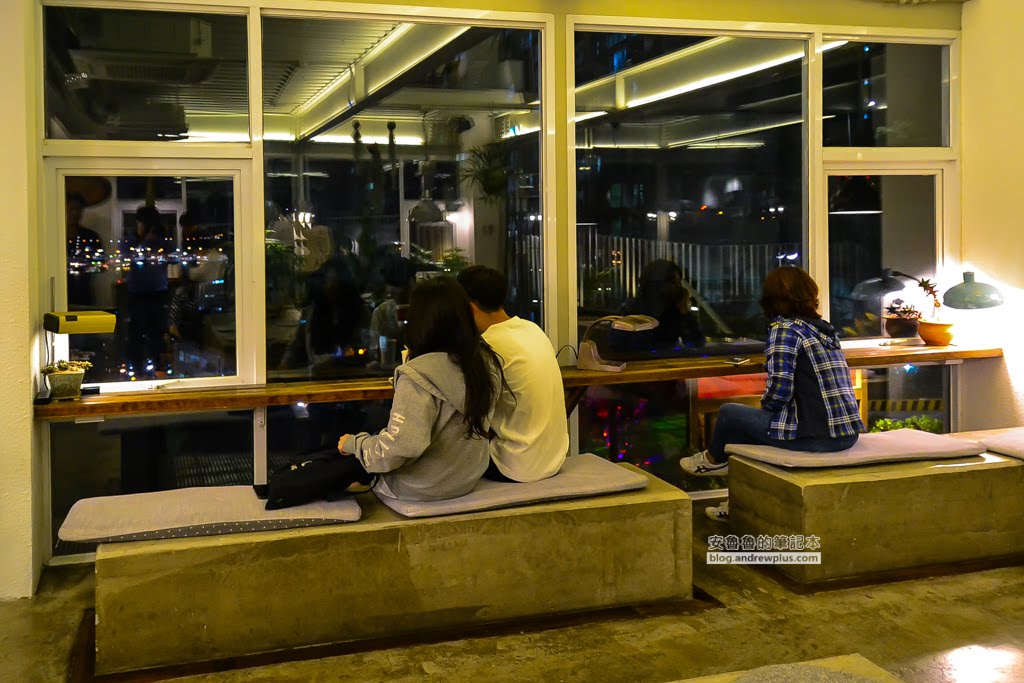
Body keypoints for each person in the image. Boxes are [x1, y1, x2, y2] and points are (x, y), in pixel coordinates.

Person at [681, 266, 863, 522]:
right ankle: (735, 502)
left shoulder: (785, 329)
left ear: (772, 299)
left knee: (730, 414)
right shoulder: (824, 330)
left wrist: (766, 410)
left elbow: (779, 389)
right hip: (847, 435)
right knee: (759, 429)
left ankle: (713, 460)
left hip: (817, 436)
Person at [333, 276, 507, 502]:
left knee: (356, 446)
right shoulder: (486, 363)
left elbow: (401, 447)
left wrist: (355, 444)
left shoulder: (417, 375)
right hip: (466, 480)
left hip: (419, 488)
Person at [457, 265, 568, 483]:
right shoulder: (533, 329)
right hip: (555, 459)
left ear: (469, 307)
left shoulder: (489, 346)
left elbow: (469, 412)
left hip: (516, 467)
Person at [612, 259, 704, 353]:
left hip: (669, 363)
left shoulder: (673, 312)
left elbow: (696, 343)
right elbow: (620, 345)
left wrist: (685, 312)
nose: (678, 287)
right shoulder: (632, 310)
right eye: (673, 282)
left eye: (679, 282)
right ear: (655, 284)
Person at [123, 206, 170, 375]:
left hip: (158, 292)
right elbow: (127, 259)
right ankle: (135, 369)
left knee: (157, 332)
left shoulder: (161, 241)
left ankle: (158, 367)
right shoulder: (129, 241)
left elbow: (172, 257)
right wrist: (145, 241)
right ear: (138, 222)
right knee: (136, 332)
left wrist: (158, 240)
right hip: (137, 293)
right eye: (145, 223)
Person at [65, 192, 104, 307]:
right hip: (59, 292)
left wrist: (86, 264)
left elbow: (100, 265)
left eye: (78, 210)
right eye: (71, 209)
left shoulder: (91, 236)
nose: (75, 213)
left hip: (84, 292)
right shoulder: (55, 234)